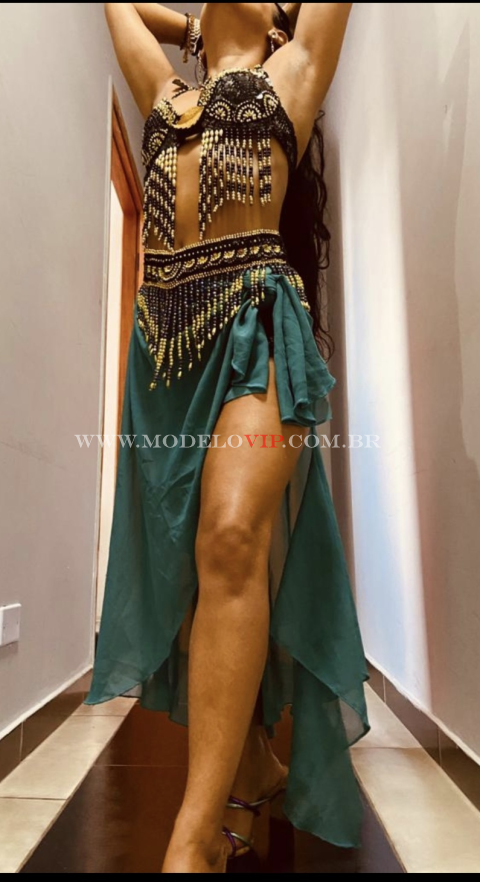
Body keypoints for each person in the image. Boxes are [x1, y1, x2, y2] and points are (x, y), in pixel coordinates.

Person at [86, 2, 369, 873]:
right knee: (184, 573)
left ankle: (194, 839)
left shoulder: (295, 69)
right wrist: (189, 30)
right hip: (165, 348)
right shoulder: (164, 92)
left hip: (256, 325)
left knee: (232, 535)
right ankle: (251, 760)